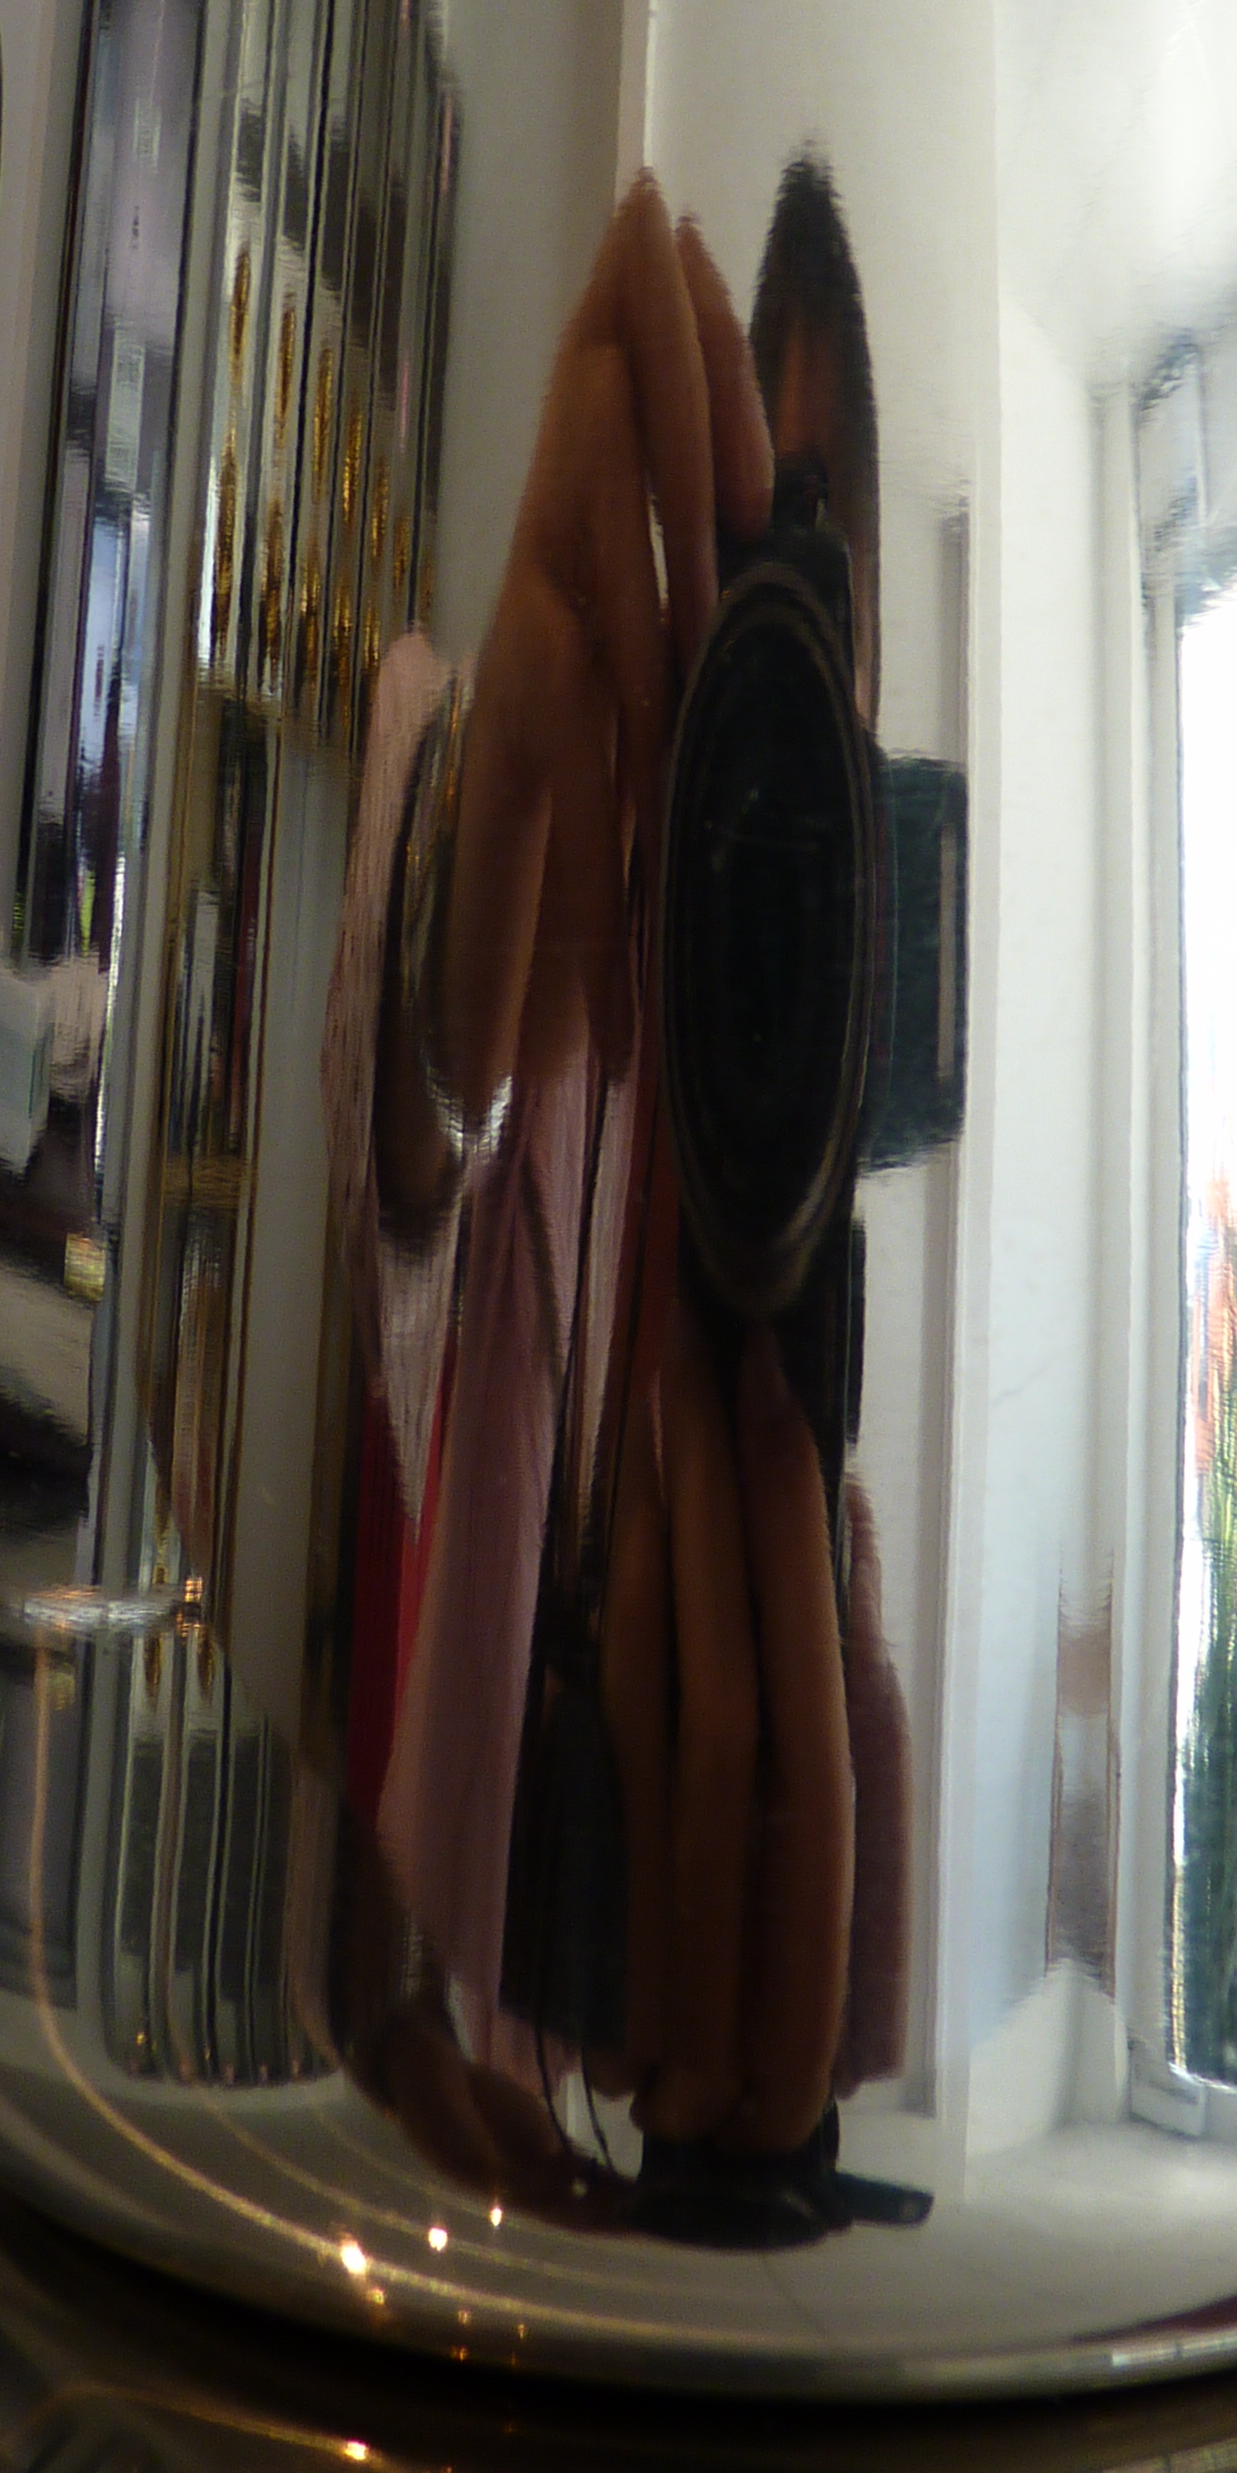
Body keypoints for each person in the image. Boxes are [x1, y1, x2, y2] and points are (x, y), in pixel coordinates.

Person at [320, 162, 909, 2181]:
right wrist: (503, 816)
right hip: (402, 2140)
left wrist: (786, 2130)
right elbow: (411, 1185)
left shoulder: (835, 1544)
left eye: (808, 580)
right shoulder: (503, 815)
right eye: (736, 546)